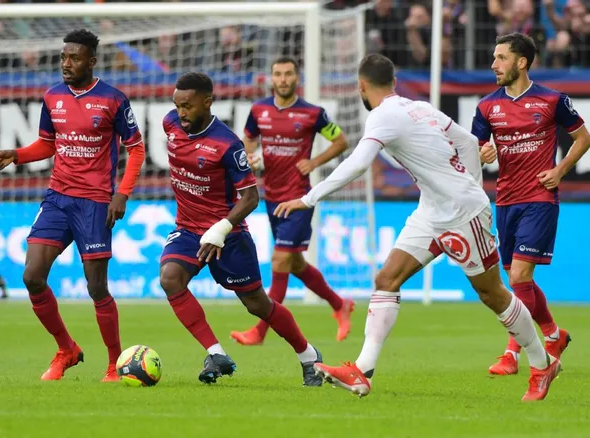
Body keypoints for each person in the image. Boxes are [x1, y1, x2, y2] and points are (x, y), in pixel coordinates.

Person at [275, 53, 561, 401]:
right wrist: (467, 182)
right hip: (432, 210)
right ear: (393, 83)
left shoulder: (382, 116)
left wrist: (309, 198)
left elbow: (358, 164)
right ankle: (362, 371)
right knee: (387, 279)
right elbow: (469, 144)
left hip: (460, 212)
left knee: (493, 294)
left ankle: (541, 362)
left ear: (362, 87)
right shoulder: (420, 107)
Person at [0, 29, 145, 382]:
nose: (66, 64)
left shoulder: (113, 100)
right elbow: (47, 144)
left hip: (94, 202)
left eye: (74, 58)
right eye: (63, 57)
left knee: (96, 287)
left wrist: (122, 193)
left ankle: (114, 363)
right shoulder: (53, 96)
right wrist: (17, 155)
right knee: (32, 276)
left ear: (91, 60)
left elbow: (136, 149)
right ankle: (66, 349)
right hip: (58, 198)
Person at [159, 71, 323, 386]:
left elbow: (250, 197)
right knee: (170, 278)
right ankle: (216, 353)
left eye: (188, 106)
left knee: (257, 304)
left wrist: (222, 226)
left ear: (207, 102)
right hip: (188, 229)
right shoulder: (171, 123)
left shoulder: (227, 144)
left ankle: (308, 355)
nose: (181, 113)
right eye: (177, 105)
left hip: (228, 237)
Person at [473, 32, 590, 375]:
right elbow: (469, 153)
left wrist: (560, 170)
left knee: (521, 275)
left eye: (501, 58)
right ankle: (554, 335)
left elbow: (583, 137)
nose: (494, 65)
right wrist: (481, 154)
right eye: (494, 58)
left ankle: (512, 354)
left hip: (540, 198)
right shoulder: (486, 106)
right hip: (505, 200)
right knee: (517, 281)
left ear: (521, 62)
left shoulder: (552, 100)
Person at [230, 56, 354, 346]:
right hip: (271, 197)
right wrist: (249, 157)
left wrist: (315, 162)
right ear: (271, 78)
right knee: (295, 263)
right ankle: (340, 305)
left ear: (297, 78)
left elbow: (341, 141)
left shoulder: (313, 113)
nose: (283, 79)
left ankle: (259, 331)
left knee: (280, 259)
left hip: (299, 198)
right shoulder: (259, 110)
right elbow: (248, 138)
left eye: (288, 74)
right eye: (278, 74)